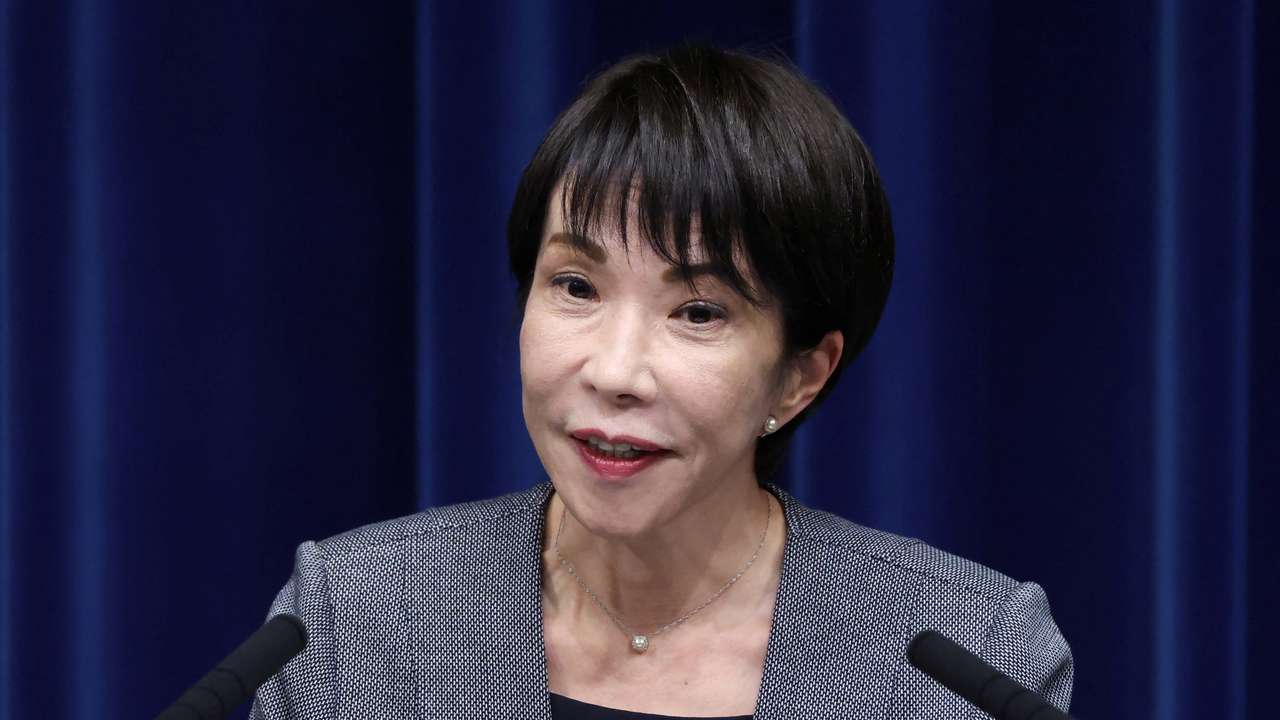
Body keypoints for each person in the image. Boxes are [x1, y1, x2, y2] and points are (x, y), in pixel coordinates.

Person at [250, 45, 1072, 719]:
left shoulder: (967, 659)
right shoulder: (355, 624)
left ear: (800, 377)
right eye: (576, 286)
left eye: (700, 312)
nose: (613, 373)